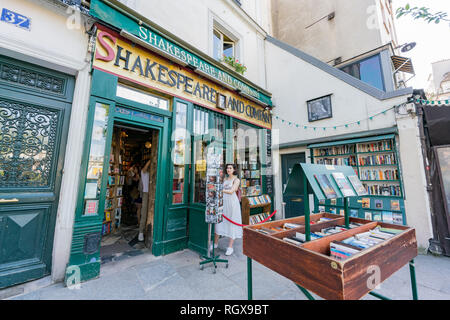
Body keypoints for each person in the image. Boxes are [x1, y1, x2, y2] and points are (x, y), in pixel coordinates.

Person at [214, 163, 242, 256]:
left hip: (232, 203)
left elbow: (231, 191)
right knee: (219, 222)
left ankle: (230, 247)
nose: (228, 169)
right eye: (227, 168)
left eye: (230, 168)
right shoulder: (225, 179)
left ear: (234, 169)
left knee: (232, 223)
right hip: (223, 202)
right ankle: (215, 243)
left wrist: (220, 190)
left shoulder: (236, 180)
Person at [138, 159, 151, 241]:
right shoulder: (144, 172)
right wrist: (150, 160)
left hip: (153, 193)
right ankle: (141, 232)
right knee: (144, 212)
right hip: (146, 193)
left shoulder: (152, 173)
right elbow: (145, 168)